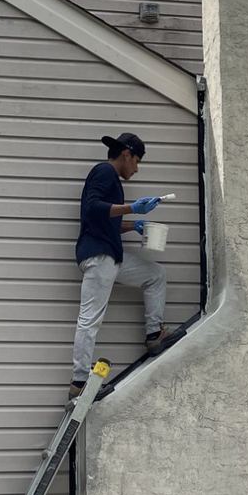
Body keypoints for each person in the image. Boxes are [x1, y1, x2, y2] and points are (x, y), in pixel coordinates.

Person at [69, 132, 168, 399]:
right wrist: (132, 208)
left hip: (111, 256)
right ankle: (79, 382)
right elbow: (92, 209)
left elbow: (105, 218)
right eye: (137, 161)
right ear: (127, 154)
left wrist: (131, 226)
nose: (136, 168)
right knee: (90, 319)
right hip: (99, 256)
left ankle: (154, 334)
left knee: (155, 275)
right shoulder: (104, 172)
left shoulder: (111, 180)